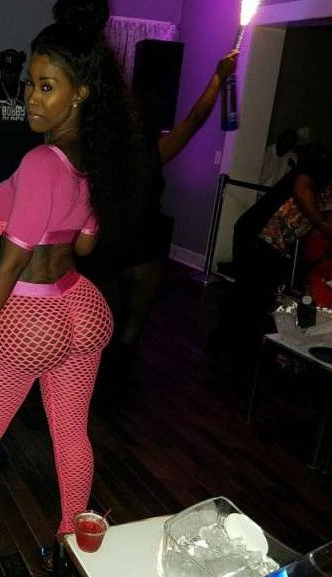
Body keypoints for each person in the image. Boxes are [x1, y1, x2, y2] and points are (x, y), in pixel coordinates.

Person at [0, 0, 155, 557]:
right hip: (82, 307)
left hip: (28, 316)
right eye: (31, 82)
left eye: (46, 86)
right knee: (71, 433)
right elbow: (85, 243)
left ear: (80, 94)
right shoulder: (93, 160)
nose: (30, 96)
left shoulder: (39, 162)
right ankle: (74, 542)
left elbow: (11, 264)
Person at [81, 50, 239, 383]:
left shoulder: (99, 154)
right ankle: (118, 383)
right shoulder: (154, 150)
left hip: (109, 246)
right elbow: (195, 119)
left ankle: (100, 384)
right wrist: (218, 77)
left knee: (103, 325)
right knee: (130, 330)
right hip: (144, 247)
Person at [211, 143, 332, 378]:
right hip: (258, 235)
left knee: (249, 295)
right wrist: (321, 223)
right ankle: (238, 358)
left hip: (274, 243)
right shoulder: (320, 164)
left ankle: (225, 346)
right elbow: (301, 190)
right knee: (251, 296)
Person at [0, 48, 27, 121]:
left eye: (12, 71)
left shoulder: (28, 90)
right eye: (5, 70)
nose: (8, 74)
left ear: (19, 71)